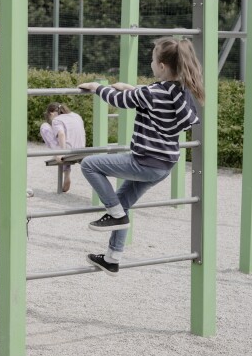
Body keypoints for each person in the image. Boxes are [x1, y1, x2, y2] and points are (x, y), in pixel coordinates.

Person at [77, 37, 203, 276]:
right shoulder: (180, 92)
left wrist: (96, 88)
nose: (151, 64)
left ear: (162, 66)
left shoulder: (152, 92)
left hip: (143, 162)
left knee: (89, 164)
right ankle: (112, 258)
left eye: (153, 60)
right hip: (164, 166)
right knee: (122, 204)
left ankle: (114, 215)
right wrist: (133, 89)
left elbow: (118, 100)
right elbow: (147, 97)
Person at [42, 103, 86, 193]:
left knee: (44, 127)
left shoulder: (57, 120)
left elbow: (61, 134)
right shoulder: (76, 115)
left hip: (69, 150)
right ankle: (66, 171)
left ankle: (66, 170)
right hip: (81, 147)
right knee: (66, 140)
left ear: (51, 113)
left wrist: (61, 152)